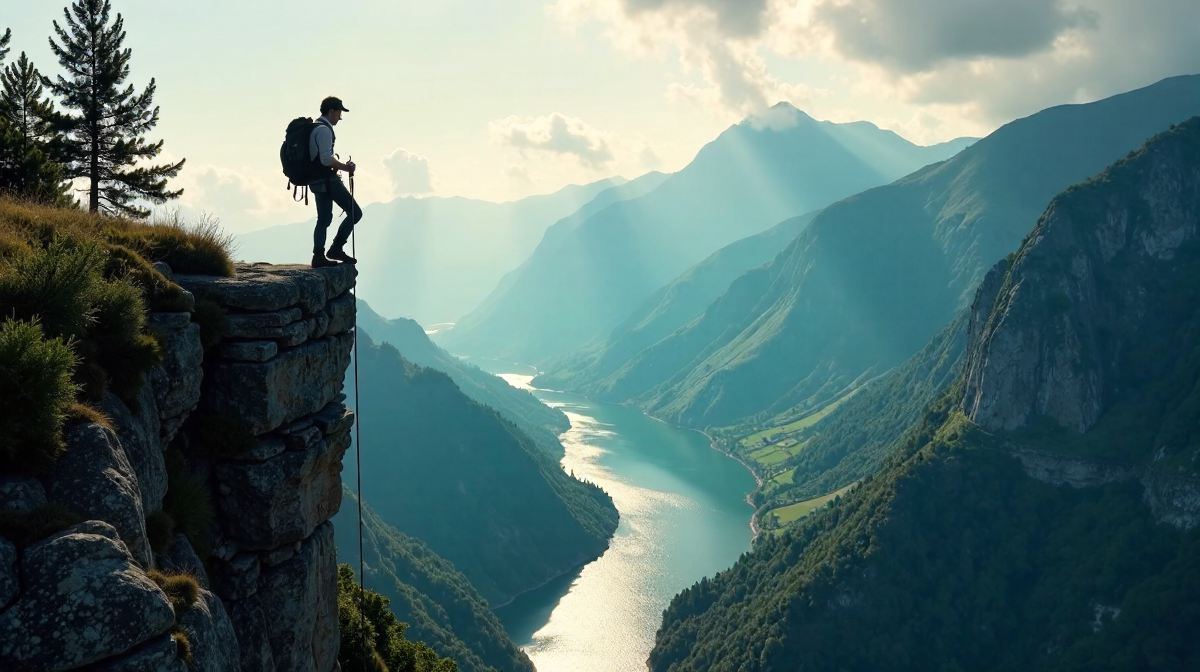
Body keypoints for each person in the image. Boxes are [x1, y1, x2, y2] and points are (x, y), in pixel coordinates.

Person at [309, 96, 362, 267]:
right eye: (339, 112)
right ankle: (336, 248)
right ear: (331, 111)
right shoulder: (324, 130)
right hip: (327, 178)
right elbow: (325, 159)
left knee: (323, 219)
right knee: (355, 212)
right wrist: (346, 168)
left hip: (315, 179)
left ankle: (318, 256)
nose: (340, 117)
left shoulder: (314, 127)